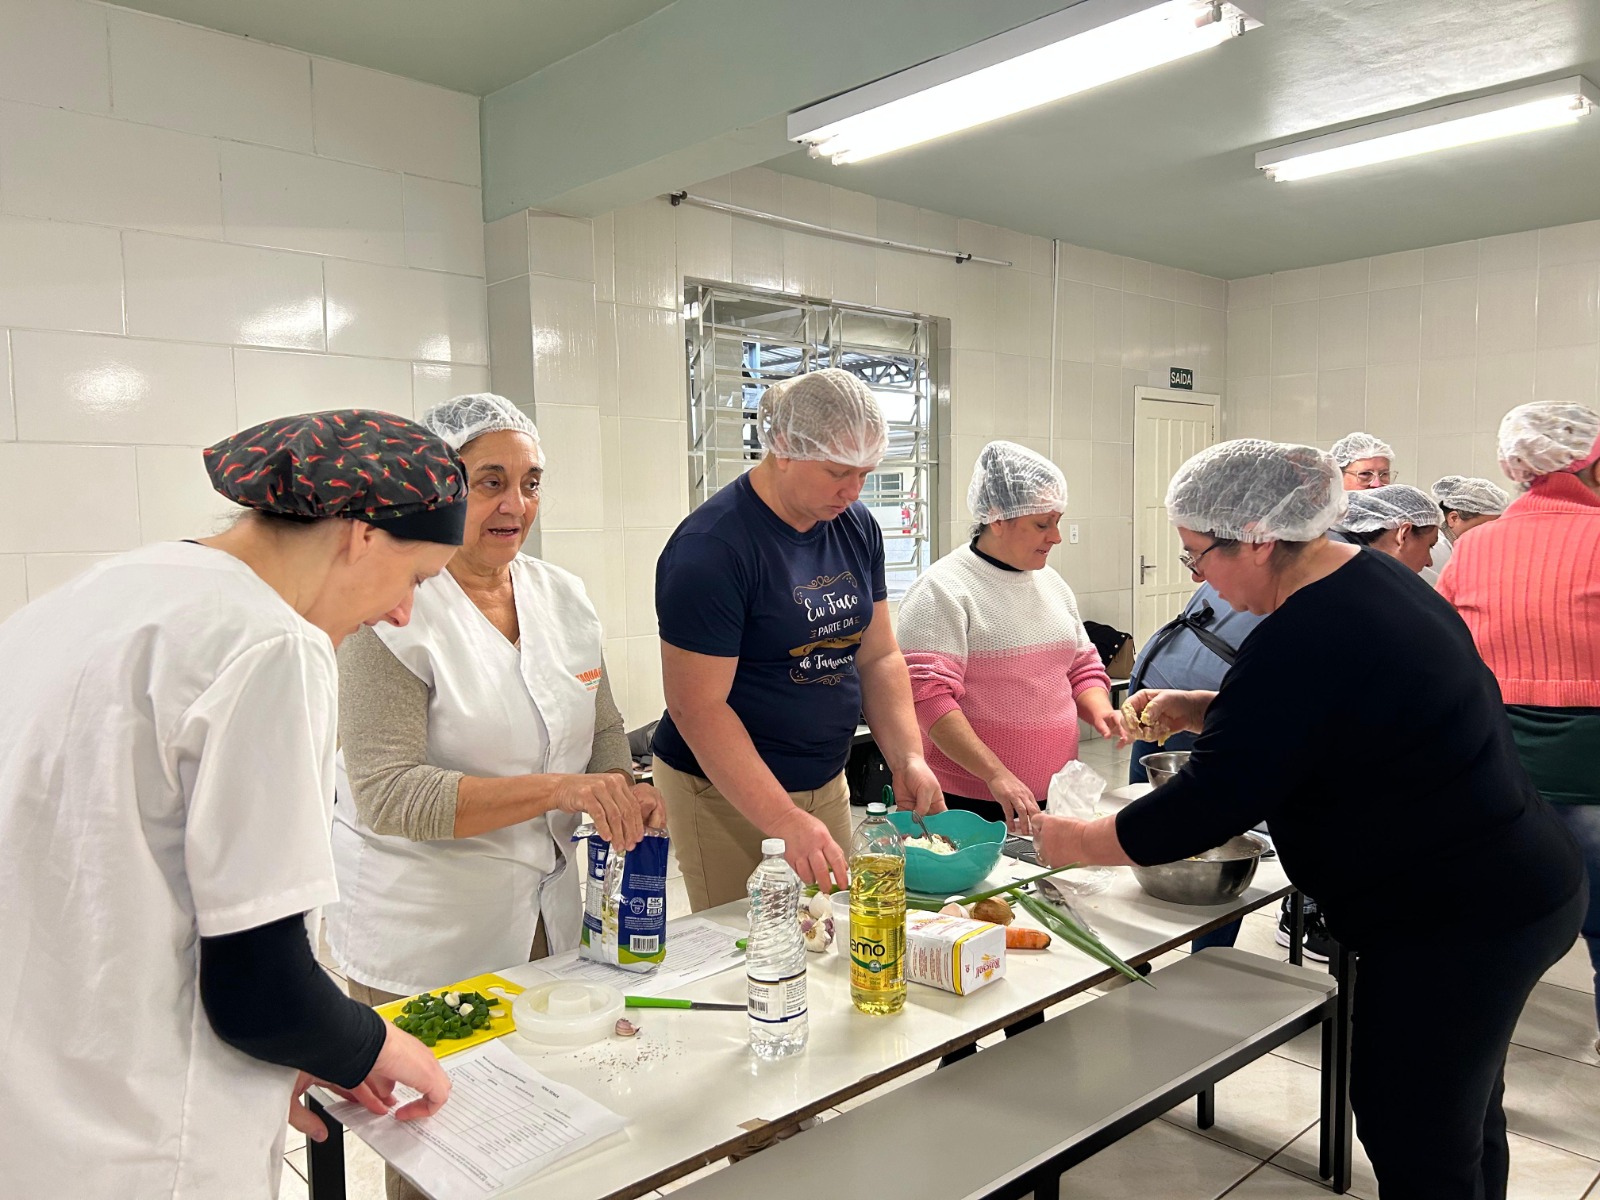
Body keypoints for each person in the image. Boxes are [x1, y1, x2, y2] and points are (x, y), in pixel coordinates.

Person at [1029, 438, 1583, 1200]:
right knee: (1462, 1114)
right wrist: (1207, 707)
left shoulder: (1305, 634)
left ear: (1258, 539)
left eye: (1198, 556)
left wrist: (1076, 840)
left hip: (1457, 918)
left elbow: (1207, 804)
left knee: (1412, 1126)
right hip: (1510, 884)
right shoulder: (1372, 579)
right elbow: (1330, 714)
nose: (1198, 578)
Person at [0, 411, 463, 1198]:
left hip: (39, 1105)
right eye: (416, 579)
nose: (400, 614)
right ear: (362, 534)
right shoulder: (272, 644)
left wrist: (300, 1047)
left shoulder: (106, 591)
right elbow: (260, 993)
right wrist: (371, 1045)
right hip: (141, 1138)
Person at [328, 393, 657, 1200]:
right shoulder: (394, 607)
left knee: (541, 1127)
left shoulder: (562, 596)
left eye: (531, 482)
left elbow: (603, 727)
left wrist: (624, 792)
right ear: (440, 487)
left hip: (545, 911)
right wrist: (563, 789)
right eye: (490, 482)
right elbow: (390, 793)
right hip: (427, 930)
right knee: (442, 1150)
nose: (516, 505)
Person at [653, 368, 944, 910]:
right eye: (837, 472)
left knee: (828, 929)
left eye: (865, 473)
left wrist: (908, 756)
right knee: (751, 941)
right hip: (724, 792)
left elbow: (878, 656)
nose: (853, 491)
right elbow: (698, 707)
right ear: (784, 447)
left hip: (823, 776)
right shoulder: (712, 549)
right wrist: (784, 818)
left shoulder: (855, 525)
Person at [1439, 403, 1600, 1057]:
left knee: (1491, 924)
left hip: (1495, 774)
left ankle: (1479, 1051)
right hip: (1591, 770)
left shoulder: (1475, 547)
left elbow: (1443, 654)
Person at [897, 440, 1128, 833]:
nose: (1056, 536)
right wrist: (995, 774)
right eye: (1042, 524)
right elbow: (928, 698)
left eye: (1058, 521)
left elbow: (1081, 666)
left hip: (1055, 792)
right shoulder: (943, 589)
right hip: (971, 799)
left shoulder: (1051, 583)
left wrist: (1102, 711)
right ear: (998, 518)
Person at [1124, 583, 1275, 955]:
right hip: (1166, 704)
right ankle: (1134, 952)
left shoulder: (1310, 589)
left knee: (1214, 848)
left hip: (1213, 723)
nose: (1197, 576)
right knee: (1144, 832)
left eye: (1198, 558)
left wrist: (1084, 842)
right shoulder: (1234, 573)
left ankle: (1209, 959)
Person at [1331, 483, 1442, 574]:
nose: (1429, 562)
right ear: (1404, 535)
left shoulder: (1341, 558)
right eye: (1430, 546)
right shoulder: (1354, 577)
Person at [1422, 475, 1510, 587]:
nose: (1490, 537)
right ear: (1453, 518)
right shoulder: (1435, 551)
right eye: (1484, 529)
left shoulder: (1456, 549)